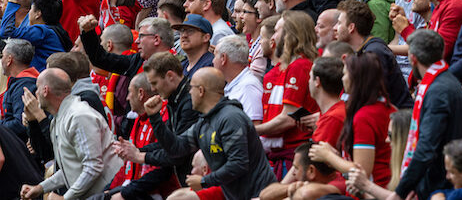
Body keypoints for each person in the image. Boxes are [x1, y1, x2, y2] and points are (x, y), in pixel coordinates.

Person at [118, 67, 277, 200]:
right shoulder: (204, 122)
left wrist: (204, 181)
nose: (189, 93)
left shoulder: (231, 118)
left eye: (191, 88)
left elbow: (239, 164)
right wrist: (155, 118)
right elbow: (176, 149)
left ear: (201, 91)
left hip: (258, 195)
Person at [20, 68, 123, 200]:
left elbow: (93, 167)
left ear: (45, 91)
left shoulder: (78, 116)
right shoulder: (60, 117)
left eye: (37, 88)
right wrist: (40, 188)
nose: (36, 93)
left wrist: (65, 198)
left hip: (109, 192)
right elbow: (71, 168)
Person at [395, 29, 462, 200]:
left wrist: (402, 190)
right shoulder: (446, 81)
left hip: (438, 186)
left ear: (413, 58)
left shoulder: (438, 91)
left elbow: (427, 147)